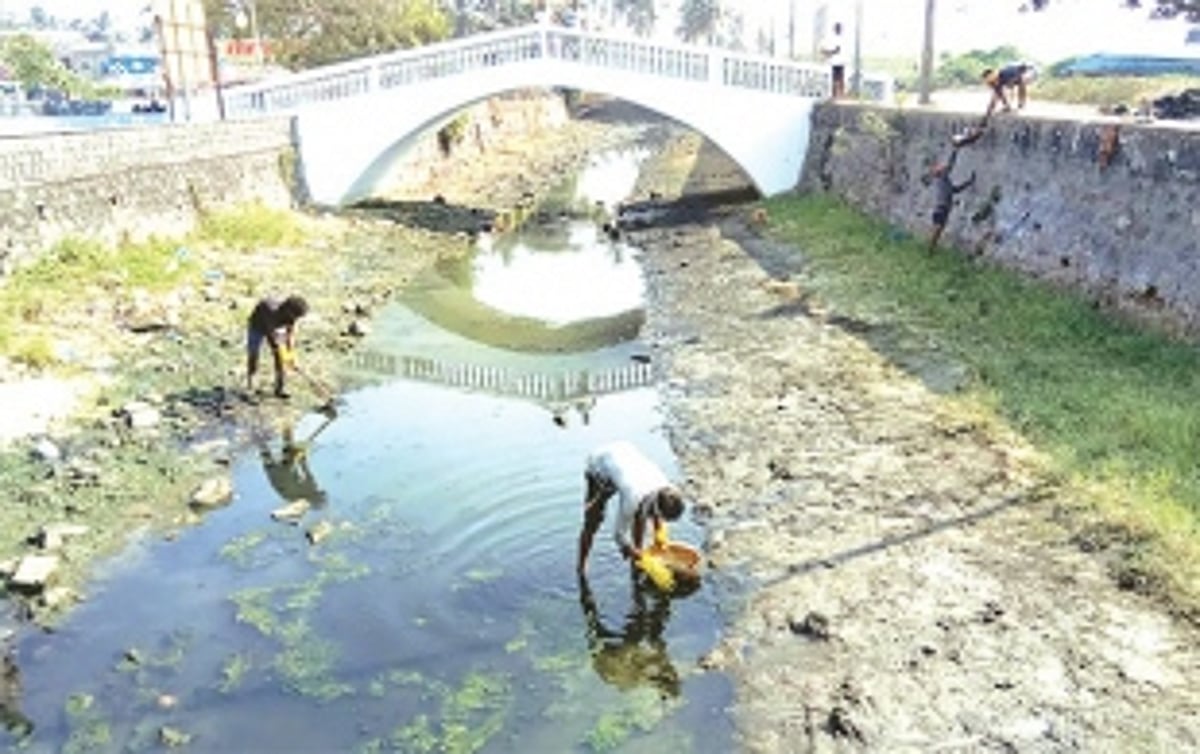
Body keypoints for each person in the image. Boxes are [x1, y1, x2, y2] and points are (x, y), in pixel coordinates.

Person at [577, 441, 686, 575]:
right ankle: (581, 568)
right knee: (593, 520)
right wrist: (632, 551)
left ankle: (636, 567)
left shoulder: (668, 489)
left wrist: (659, 536)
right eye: (656, 515)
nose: (655, 518)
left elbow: (654, 514)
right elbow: (619, 535)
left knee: (641, 514)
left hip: (625, 458)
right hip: (600, 466)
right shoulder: (632, 497)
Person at [246, 295, 308, 399]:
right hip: (257, 326)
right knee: (254, 354)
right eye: (296, 316)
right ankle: (251, 387)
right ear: (289, 310)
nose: (296, 319)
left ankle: (279, 389)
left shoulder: (291, 317)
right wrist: (282, 352)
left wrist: (291, 355)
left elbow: (290, 335)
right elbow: (274, 337)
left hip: (273, 328)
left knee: (280, 359)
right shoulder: (272, 311)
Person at [925, 147, 976, 251]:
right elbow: (950, 165)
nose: (943, 168)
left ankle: (931, 248)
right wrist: (955, 151)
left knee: (938, 230)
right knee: (937, 229)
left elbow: (956, 189)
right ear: (938, 172)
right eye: (940, 167)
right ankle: (930, 249)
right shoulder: (940, 178)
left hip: (945, 208)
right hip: (941, 207)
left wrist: (969, 182)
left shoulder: (946, 182)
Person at [820, 22, 848, 100]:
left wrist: (827, 53)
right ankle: (835, 95)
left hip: (840, 61)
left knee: (839, 78)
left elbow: (837, 50)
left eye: (838, 28)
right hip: (834, 61)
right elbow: (824, 49)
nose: (838, 29)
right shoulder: (831, 38)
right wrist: (825, 52)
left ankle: (840, 95)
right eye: (837, 28)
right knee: (835, 78)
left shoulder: (842, 39)